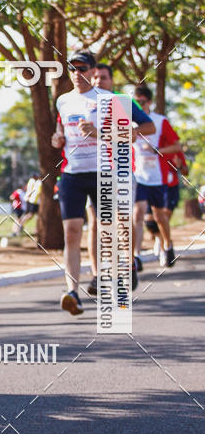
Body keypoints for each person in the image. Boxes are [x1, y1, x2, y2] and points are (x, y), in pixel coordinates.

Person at [52, 51, 154, 316]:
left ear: (92, 70)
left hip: (104, 171)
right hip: (72, 173)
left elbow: (139, 131)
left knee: (109, 227)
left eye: (82, 68)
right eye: (72, 68)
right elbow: (61, 131)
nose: (77, 73)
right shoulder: (63, 101)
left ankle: (122, 269)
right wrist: (57, 138)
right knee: (72, 231)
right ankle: (73, 293)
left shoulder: (111, 100)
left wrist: (98, 133)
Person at [84, 63, 155, 295]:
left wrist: (134, 131)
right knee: (95, 221)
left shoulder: (122, 101)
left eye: (103, 78)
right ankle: (97, 275)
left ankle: (129, 261)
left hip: (120, 167)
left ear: (111, 81)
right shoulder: (83, 102)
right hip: (91, 170)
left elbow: (150, 126)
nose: (98, 81)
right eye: (95, 78)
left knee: (123, 220)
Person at [132, 84, 182, 269]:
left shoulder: (160, 121)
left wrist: (157, 149)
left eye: (142, 102)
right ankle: (136, 256)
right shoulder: (129, 122)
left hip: (157, 177)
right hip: (138, 176)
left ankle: (167, 245)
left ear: (150, 102)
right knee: (138, 213)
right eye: (135, 102)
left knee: (159, 216)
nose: (139, 106)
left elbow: (177, 146)